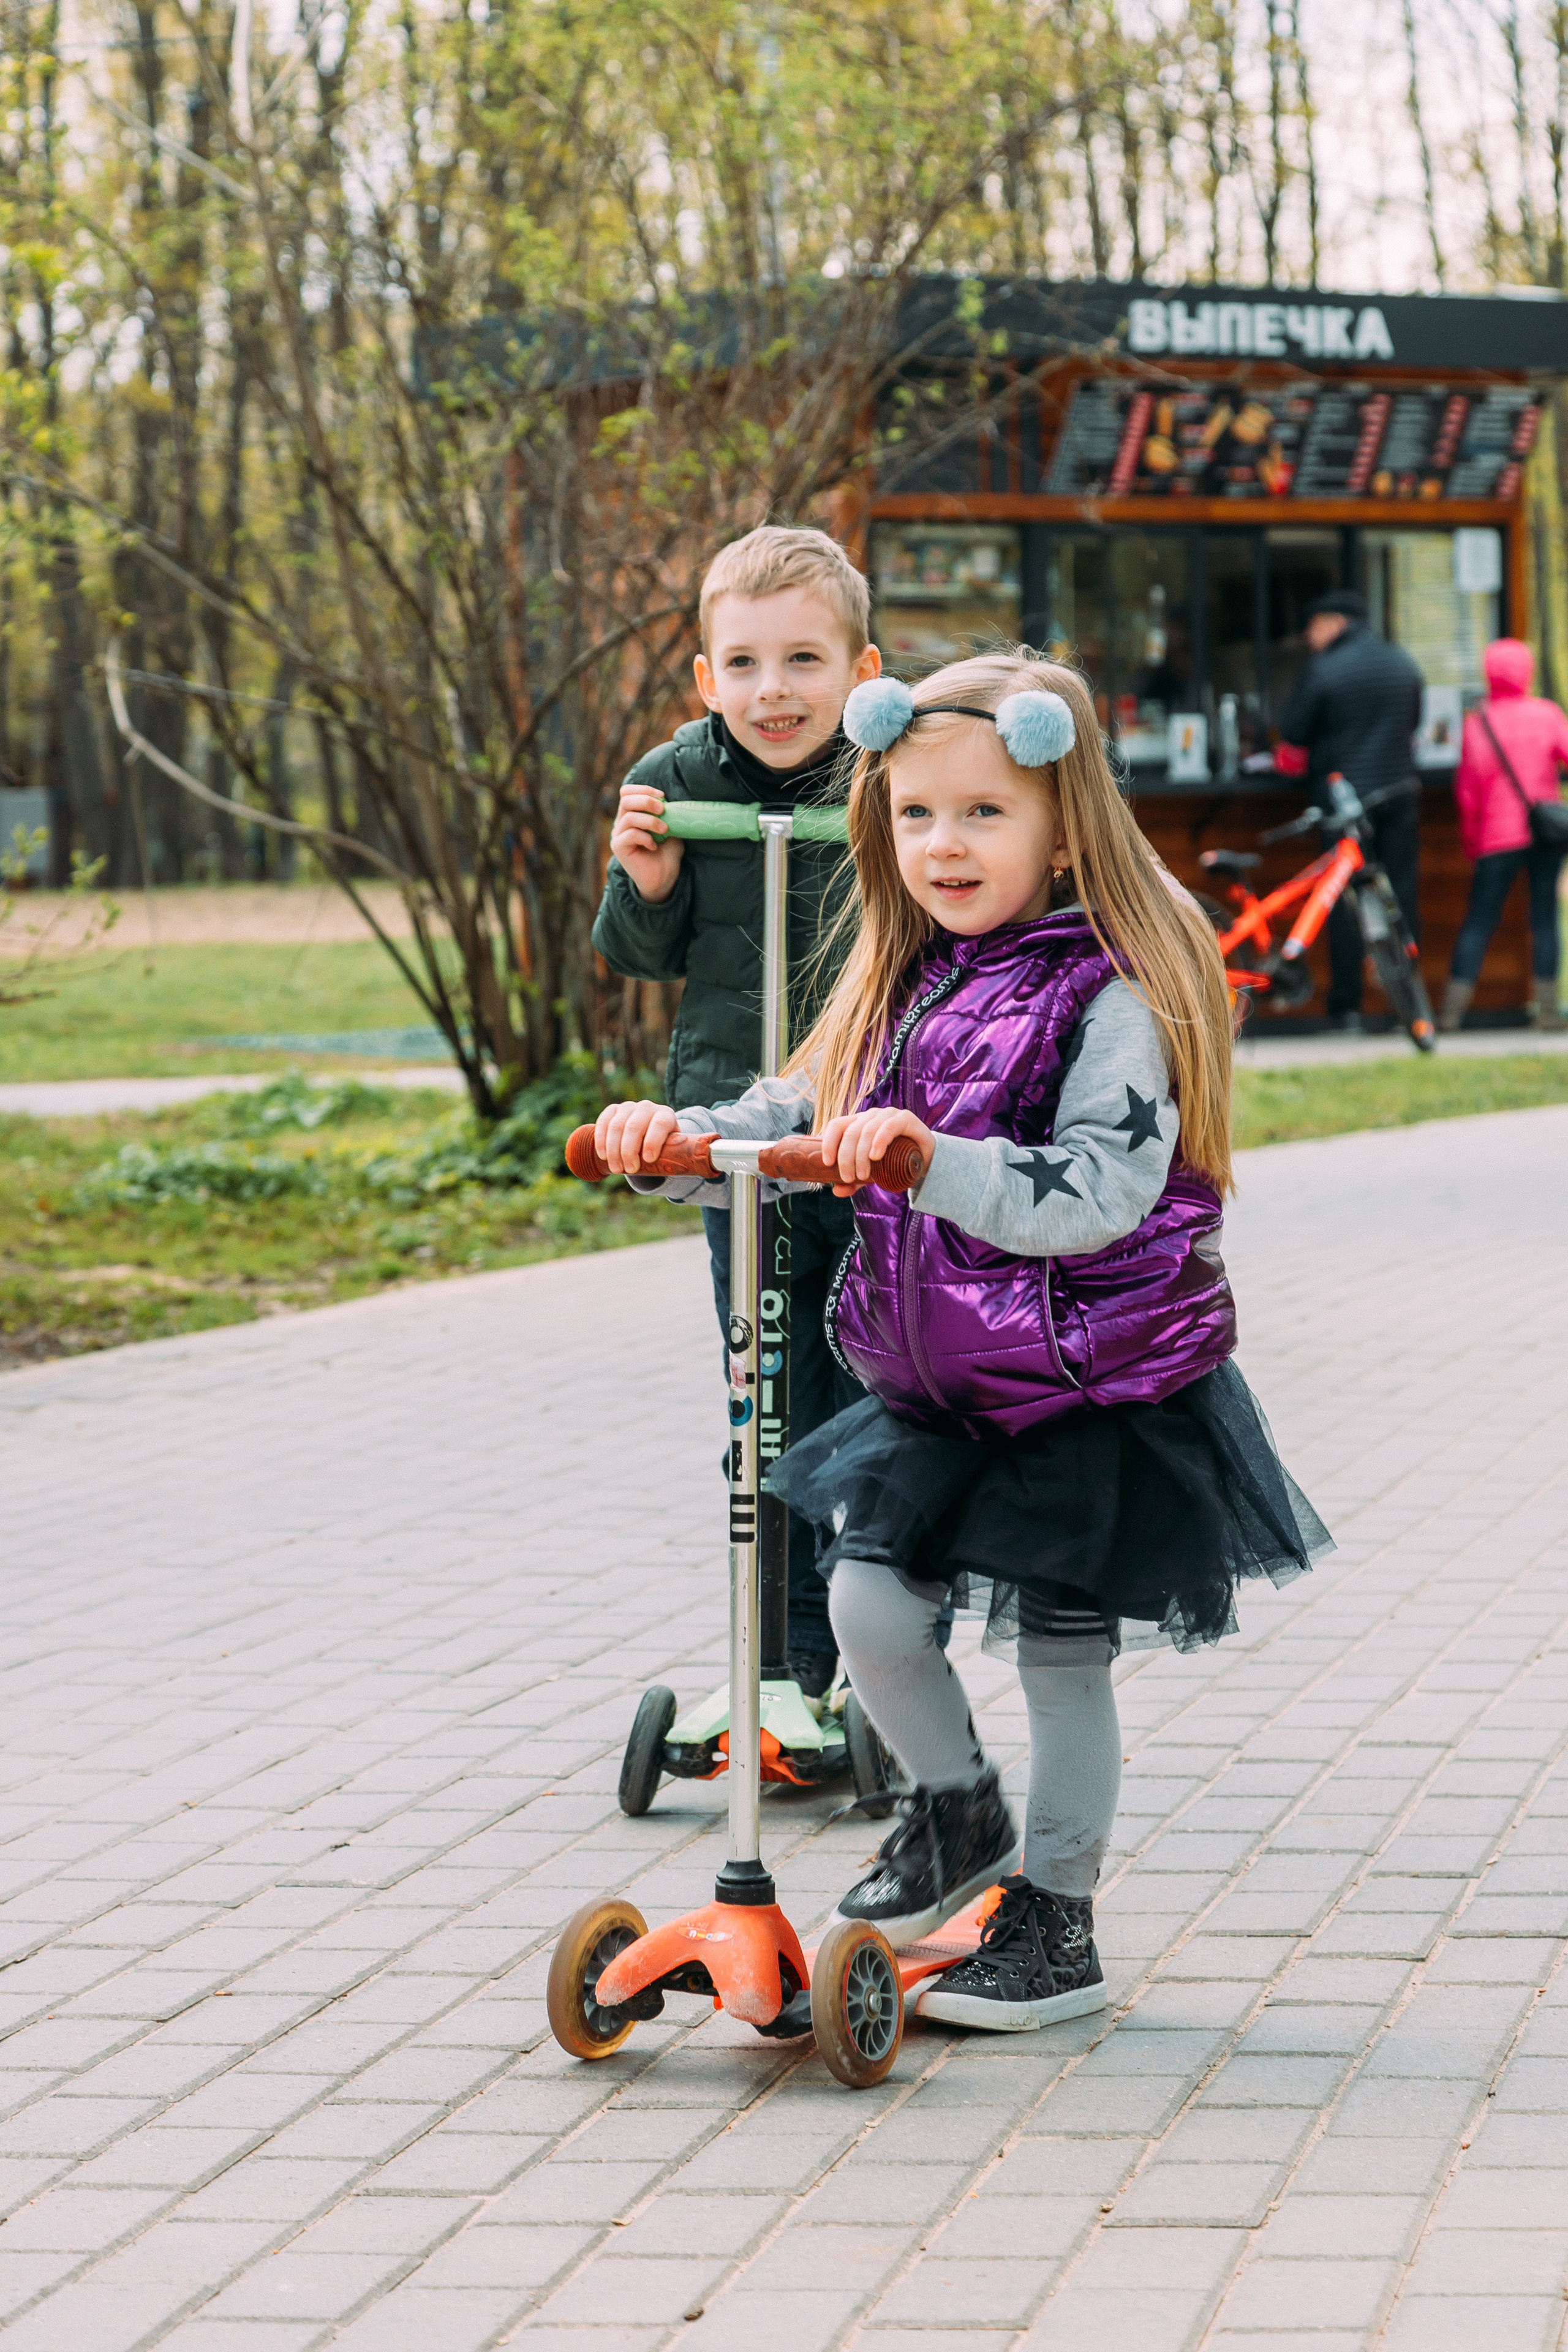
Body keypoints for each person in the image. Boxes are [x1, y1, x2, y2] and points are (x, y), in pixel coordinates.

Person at [594, 650, 1329, 2032]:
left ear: (1062, 827)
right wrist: (670, 1146)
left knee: (1060, 1654)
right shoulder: (892, 977)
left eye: (984, 813)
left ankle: (1056, 1920)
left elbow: (1098, 1191)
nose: (943, 843)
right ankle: (954, 1816)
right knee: (869, 1609)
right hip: (934, 1380)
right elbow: (781, 1125)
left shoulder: (1110, 993)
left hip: (1087, 1379)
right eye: (916, 812)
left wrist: (929, 1161)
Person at [591, 526, 881, 1700]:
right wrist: (646, 880)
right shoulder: (679, 776)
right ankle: (773, 1656)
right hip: (731, 1134)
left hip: (864, 1120)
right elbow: (638, 952)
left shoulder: (891, 771)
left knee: (859, 1382)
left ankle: (851, 1655)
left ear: (864, 674)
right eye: (747, 665)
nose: (776, 691)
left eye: (806, 661)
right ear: (708, 679)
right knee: (765, 1394)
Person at [1276, 589, 1425, 1031]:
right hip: (1399, 792)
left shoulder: (1324, 669)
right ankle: (1409, 1008)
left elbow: (1294, 731)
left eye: (1312, 627)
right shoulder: (1402, 662)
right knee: (1399, 897)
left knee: (1341, 899)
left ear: (1334, 623)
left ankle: (1346, 1007)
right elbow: (1414, 721)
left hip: (1346, 801)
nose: (1308, 637)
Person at [1442, 638, 1568, 1033]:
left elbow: (1467, 793)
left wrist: (1471, 842)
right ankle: (1547, 1013)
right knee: (1545, 920)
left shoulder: (1477, 722)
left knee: (1478, 921)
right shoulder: (1546, 714)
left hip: (1496, 838)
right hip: (1544, 835)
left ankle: (1450, 1014)